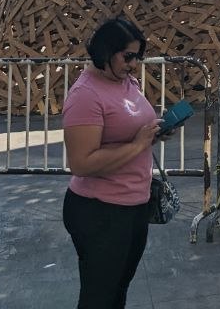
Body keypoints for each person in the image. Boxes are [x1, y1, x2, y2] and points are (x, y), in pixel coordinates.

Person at [62, 18, 161, 308]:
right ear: (106, 51)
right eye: (127, 56)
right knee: (99, 296)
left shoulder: (127, 82)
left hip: (133, 205)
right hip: (100, 211)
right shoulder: (85, 95)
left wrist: (155, 133)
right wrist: (137, 145)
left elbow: (130, 130)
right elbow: (81, 162)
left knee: (118, 290)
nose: (133, 64)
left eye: (137, 57)